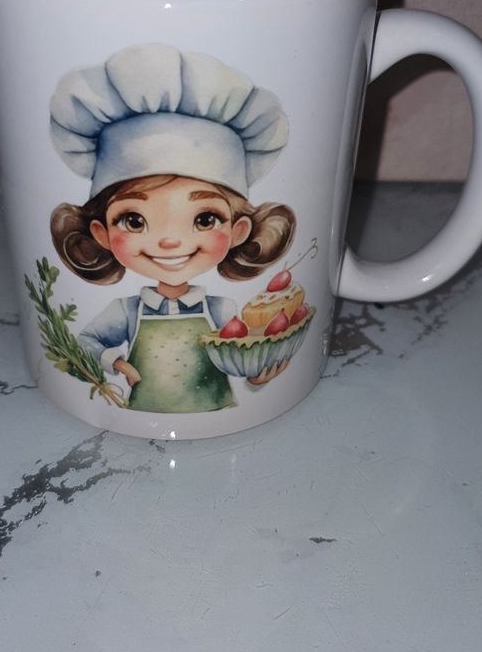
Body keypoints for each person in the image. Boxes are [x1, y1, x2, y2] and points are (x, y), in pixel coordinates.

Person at [48, 43, 296, 413]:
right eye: (134, 221)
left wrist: (257, 380)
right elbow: (84, 343)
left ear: (238, 231)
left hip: (218, 411)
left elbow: (239, 358)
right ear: (101, 233)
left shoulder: (222, 309)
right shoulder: (126, 312)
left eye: (204, 219)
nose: (168, 241)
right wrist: (115, 363)